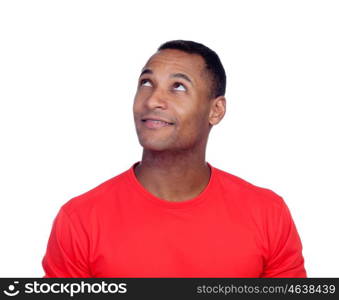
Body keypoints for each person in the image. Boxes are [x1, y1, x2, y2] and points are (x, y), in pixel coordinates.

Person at [42, 40, 306, 277]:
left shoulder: (268, 214)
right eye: (146, 83)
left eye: (178, 86)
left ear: (216, 110)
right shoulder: (80, 220)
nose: (153, 100)